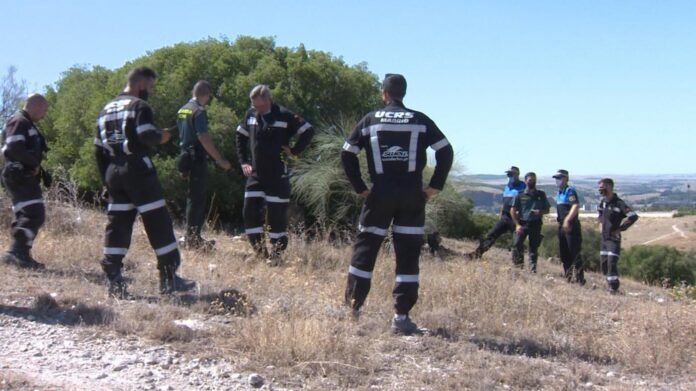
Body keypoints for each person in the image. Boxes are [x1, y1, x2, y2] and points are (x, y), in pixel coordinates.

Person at [341, 73, 454, 335]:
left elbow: (347, 152)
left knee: (365, 249)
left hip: (379, 194)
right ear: (403, 93)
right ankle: (401, 316)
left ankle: (353, 308)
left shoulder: (371, 120)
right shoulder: (420, 120)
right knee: (408, 254)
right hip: (412, 196)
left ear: (384, 93)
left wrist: (360, 188)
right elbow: (445, 151)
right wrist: (434, 187)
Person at [94, 66, 195, 297]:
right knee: (158, 221)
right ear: (141, 84)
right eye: (150, 86)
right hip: (137, 169)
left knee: (117, 224)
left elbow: (98, 150)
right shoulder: (139, 106)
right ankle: (169, 278)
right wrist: (163, 136)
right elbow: (146, 134)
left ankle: (113, 277)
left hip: (112, 171)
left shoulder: (105, 110)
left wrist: (106, 182)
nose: (150, 91)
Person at [235, 84, 314, 265]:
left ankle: (277, 254)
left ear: (269, 100)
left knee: (276, 216)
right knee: (250, 212)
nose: (258, 110)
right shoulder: (250, 115)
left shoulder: (284, 115)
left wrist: (294, 151)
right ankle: (259, 252)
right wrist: (244, 161)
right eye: (255, 106)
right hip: (255, 174)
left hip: (277, 175)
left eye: (261, 106)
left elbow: (308, 130)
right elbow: (240, 136)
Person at [176, 80, 232, 251]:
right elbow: (204, 138)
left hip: (185, 157)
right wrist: (219, 159)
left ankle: (190, 236)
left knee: (192, 197)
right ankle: (193, 239)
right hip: (196, 158)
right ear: (206, 94)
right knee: (197, 199)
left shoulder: (183, 109)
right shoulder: (199, 111)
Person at [0, 94, 50, 269]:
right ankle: (16, 252)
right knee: (33, 212)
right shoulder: (19, 121)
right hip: (18, 173)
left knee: (27, 213)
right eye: (44, 110)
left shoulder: (25, 123)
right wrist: (33, 163)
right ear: (36, 106)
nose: (44, 114)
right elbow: (14, 147)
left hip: (20, 172)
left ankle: (21, 253)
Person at [468, 166, 526, 258]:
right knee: (491, 235)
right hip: (505, 217)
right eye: (508, 174)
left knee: (517, 241)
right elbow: (504, 203)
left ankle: (518, 264)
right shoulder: (507, 187)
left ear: (517, 174)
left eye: (511, 174)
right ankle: (477, 254)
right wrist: (501, 216)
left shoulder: (523, 186)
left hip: (516, 218)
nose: (509, 176)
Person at [597, 178, 638, 293]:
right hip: (603, 239)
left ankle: (614, 288)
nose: (600, 189)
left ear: (609, 186)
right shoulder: (603, 202)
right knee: (604, 264)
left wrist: (620, 229)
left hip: (613, 239)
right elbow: (600, 213)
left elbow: (633, 216)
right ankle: (608, 285)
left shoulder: (619, 203)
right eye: (599, 187)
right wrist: (600, 223)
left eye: (602, 186)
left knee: (611, 263)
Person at [509, 172, 550, 272]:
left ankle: (532, 270)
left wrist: (540, 212)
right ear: (526, 180)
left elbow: (547, 209)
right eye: (530, 180)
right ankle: (519, 267)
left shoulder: (541, 194)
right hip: (522, 224)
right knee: (517, 244)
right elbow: (512, 210)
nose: (532, 181)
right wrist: (517, 225)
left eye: (534, 179)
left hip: (535, 224)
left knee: (533, 248)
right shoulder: (520, 195)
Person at [553, 169, 585, 284]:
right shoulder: (559, 193)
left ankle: (580, 279)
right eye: (556, 178)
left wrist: (567, 219)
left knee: (574, 252)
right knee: (564, 253)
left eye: (559, 178)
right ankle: (569, 278)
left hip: (571, 226)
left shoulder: (569, 191)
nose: (557, 180)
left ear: (566, 178)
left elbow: (575, 206)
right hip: (561, 226)